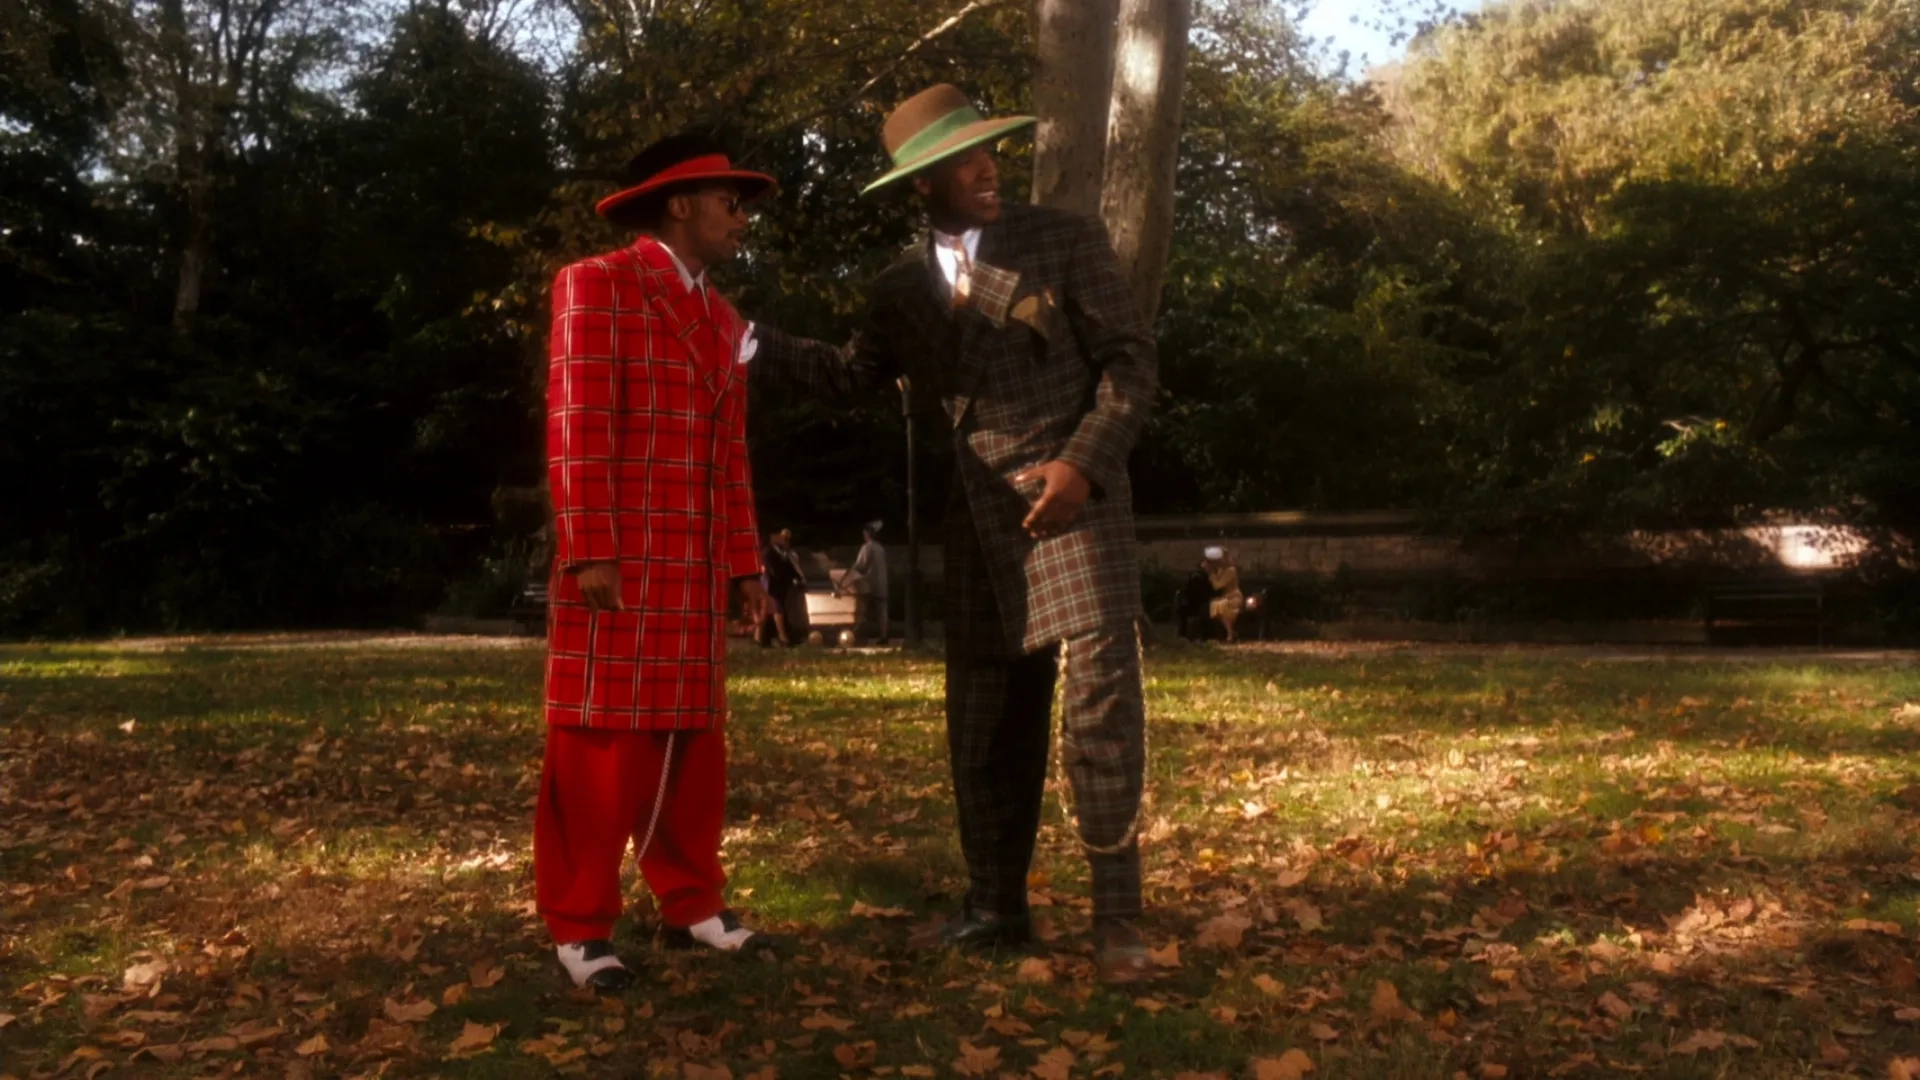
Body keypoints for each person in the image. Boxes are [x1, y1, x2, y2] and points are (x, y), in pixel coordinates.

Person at [755, 84, 1159, 982]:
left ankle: (1119, 919)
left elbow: (1131, 364)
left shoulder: (1063, 238)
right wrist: (746, 342)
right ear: (920, 186)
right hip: (978, 523)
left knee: (1101, 713)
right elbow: (849, 374)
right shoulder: (901, 288)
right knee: (983, 724)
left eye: (989, 151)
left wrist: (1083, 463)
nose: (987, 169)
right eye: (962, 161)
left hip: (1076, 509)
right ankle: (994, 907)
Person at [539, 132, 779, 992]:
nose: (740, 217)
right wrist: (589, 546)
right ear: (680, 203)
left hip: (695, 557)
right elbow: (577, 423)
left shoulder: (726, 319)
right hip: (620, 556)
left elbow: (732, 454)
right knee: (602, 741)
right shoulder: (597, 284)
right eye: (729, 200)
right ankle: (579, 925)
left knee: (691, 738)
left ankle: (691, 901)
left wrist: (747, 563)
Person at [835, 521, 889, 644]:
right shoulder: (880, 548)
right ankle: (884, 634)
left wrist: (850, 570)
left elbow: (860, 565)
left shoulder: (867, 547)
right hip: (882, 583)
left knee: (863, 610)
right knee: (882, 611)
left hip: (870, 584)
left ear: (868, 534)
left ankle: (860, 635)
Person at [760, 527, 807, 646]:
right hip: (771, 586)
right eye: (782, 538)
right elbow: (775, 571)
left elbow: (791, 568)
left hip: (780, 587)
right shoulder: (769, 552)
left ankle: (764, 638)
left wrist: (797, 578)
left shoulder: (784, 553)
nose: (785, 541)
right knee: (777, 610)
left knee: (771, 612)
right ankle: (782, 637)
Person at [1202, 546, 1244, 644]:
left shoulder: (1231, 570)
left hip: (1234, 597)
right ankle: (1224, 633)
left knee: (1223, 605)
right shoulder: (1220, 570)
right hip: (1224, 596)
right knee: (1214, 604)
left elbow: (1218, 585)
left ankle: (1230, 634)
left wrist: (1211, 573)